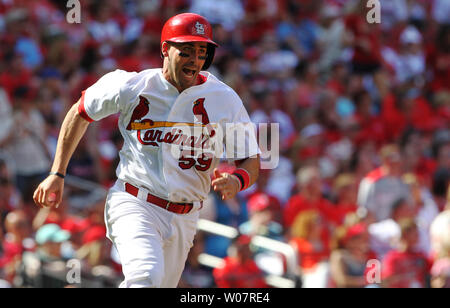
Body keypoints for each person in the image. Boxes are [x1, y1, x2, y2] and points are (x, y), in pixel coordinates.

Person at [33, 13, 260, 288]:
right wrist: (58, 172)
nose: (195, 59)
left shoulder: (223, 98)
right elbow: (80, 112)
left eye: (201, 51)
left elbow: (251, 158)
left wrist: (238, 179)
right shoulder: (132, 85)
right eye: (186, 51)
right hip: (135, 201)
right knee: (146, 278)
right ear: (165, 49)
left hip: (186, 216)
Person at [382, 219, 432, 288]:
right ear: (405, 235)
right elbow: (387, 280)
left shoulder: (421, 256)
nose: (418, 235)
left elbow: (432, 272)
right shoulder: (392, 257)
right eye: (414, 233)